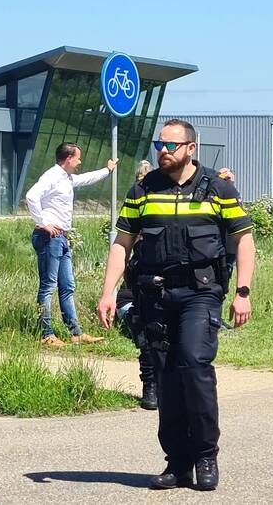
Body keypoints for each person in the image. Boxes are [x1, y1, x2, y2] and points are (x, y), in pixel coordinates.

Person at [96, 119, 255, 491]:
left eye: (170, 145)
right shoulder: (143, 190)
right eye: (159, 145)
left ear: (190, 148)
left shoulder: (218, 188)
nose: (163, 151)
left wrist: (242, 292)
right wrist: (108, 291)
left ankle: (205, 455)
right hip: (155, 294)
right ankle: (178, 462)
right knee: (166, 374)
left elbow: (243, 241)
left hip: (201, 292)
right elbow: (123, 243)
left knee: (194, 363)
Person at [25, 142, 117, 347]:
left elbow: (84, 179)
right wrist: (43, 223)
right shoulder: (51, 176)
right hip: (50, 237)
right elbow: (32, 196)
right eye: (78, 158)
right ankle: (47, 334)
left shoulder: (66, 178)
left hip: (62, 238)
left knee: (67, 286)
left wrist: (107, 170)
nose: (80, 161)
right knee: (48, 286)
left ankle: (75, 333)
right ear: (68, 158)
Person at [116, 160, 157, 410]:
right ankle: (150, 386)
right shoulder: (137, 202)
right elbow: (121, 244)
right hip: (136, 294)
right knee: (146, 334)